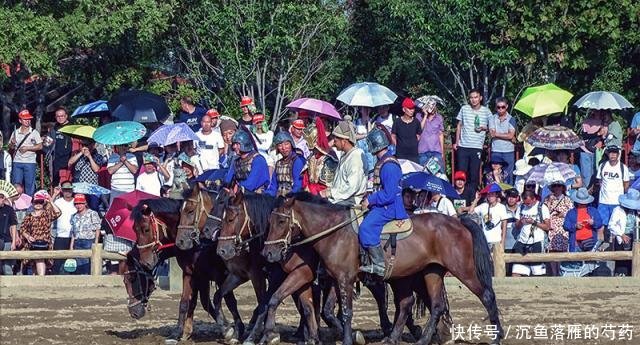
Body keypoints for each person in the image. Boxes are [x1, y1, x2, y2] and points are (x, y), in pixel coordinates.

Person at [359, 127, 408, 276]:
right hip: (383, 204)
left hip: (390, 207)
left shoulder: (389, 166)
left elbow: (389, 194)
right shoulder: (383, 161)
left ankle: (379, 264)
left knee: (366, 227)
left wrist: (371, 200)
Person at [454, 88, 492, 193]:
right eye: (471, 98)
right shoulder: (464, 109)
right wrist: (456, 142)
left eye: (476, 97)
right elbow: (459, 125)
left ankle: (471, 197)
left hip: (477, 147)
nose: (474, 100)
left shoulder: (486, 111)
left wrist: (484, 128)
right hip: (463, 146)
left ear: (480, 98)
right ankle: (460, 196)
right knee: (461, 174)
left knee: (474, 174)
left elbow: (492, 128)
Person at [321, 120, 367, 205]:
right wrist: (329, 190)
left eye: (335, 141)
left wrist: (331, 193)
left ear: (344, 141)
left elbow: (352, 186)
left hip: (351, 199)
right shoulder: (345, 155)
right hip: (341, 197)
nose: (334, 144)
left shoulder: (356, 156)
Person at [20, 189, 62, 275]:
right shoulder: (28, 216)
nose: (38, 204)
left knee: (40, 260)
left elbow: (58, 213)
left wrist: (50, 201)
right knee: (33, 263)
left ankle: (41, 280)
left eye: (40, 202)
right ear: (32, 203)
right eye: (36, 202)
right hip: (32, 243)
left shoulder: (47, 214)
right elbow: (22, 229)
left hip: (44, 242)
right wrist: (28, 237)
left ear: (43, 203)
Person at [512, 190, 551, 277]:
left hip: (537, 241)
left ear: (534, 199)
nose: (527, 205)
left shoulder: (542, 207)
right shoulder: (521, 207)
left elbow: (547, 227)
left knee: (537, 272)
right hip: (522, 241)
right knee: (516, 271)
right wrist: (521, 221)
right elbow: (517, 226)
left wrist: (534, 222)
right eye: (525, 203)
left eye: (528, 203)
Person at [9, 109, 43, 196]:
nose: (27, 121)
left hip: (30, 162)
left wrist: (28, 148)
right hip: (17, 161)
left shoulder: (34, 132)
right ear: (20, 120)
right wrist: (12, 143)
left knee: (29, 185)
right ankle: (16, 204)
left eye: (29, 119)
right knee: (16, 185)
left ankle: (29, 205)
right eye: (25, 119)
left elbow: (40, 146)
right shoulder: (15, 132)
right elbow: (11, 147)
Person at [544, 181, 574, 276]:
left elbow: (571, 213)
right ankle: (554, 273)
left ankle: (561, 272)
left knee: (562, 250)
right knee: (552, 250)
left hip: (562, 228)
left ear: (562, 188)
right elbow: (543, 211)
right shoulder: (548, 199)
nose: (557, 188)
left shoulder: (567, 199)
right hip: (552, 227)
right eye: (554, 186)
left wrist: (563, 214)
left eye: (559, 186)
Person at [595, 145, 630, 228]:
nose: (613, 155)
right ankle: (602, 241)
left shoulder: (623, 167)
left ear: (618, 155)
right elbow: (600, 181)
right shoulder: (602, 166)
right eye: (611, 152)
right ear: (608, 154)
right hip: (603, 201)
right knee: (601, 225)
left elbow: (626, 183)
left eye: (615, 153)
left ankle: (613, 241)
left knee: (616, 225)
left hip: (617, 202)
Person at [607, 189, 639, 276]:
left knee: (633, 261)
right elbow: (611, 225)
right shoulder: (618, 210)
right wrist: (622, 235)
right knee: (622, 262)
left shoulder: (636, 212)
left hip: (634, 237)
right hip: (622, 237)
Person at [68, 139, 105, 211]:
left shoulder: (98, 156)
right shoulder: (78, 155)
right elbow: (70, 163)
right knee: (79, 208)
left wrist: (89, 157)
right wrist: (81, 153)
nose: (85, 147)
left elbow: (96, 169)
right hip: (80, 187)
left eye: (87, 145)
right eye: (83, 145)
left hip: (92, 187)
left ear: (93, 145)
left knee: (93, 208)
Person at [563, 188, 604, 253]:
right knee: (577, 263)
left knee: (589, 262)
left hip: (590, 243)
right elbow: (565, 226)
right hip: (577, 243)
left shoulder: (593, 211)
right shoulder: (571, 213)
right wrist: (575, 226)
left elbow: (600, 224)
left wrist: (593, 223)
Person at [69, 194, 101, 275]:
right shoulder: (74, 216)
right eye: (76, 204)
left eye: (80, 203)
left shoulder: (92, 213)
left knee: (87, 264)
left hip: (89, 241)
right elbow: (73, 232)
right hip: (77, 241)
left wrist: (96, 242)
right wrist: (71, 246)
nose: (78, 206)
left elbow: (97, 229)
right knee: (78, 264)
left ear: (85, 203)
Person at [266, 132, 305, 197]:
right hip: (279, 199)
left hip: (293, 200)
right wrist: (266, 195)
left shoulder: (298, 161)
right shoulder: (278, 163)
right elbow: (273, 186)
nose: (283, 148)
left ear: (291, 144)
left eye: (286, 144)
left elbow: (298, 185)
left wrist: (289, 198)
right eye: (280, 145)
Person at [303, 123, 338, 196]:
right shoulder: (311, 157)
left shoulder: (329, 159)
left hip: (322, 198)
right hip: (309, 194)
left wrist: (311, 191)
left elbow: (327, 185)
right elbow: (305, 179)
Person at [489, 97, 517, 184]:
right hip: (496, 150)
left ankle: (509, 196)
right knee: (495, 175)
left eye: (503, 107)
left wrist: (497, 134)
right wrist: (507, 136)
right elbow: (492, 133)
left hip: (508, 151)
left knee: (508, 175)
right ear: (496, 107)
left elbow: (511, 135)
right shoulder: (492, 118)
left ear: (507, 106)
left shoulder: (512, 119)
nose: (500, 109)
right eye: (498, 107)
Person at [52, 181, 77, 274]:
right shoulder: (58, 201)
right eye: (65, 190)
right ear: (62, 191)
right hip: (61, 236)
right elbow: (47, 208)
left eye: (69, 189)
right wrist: (54, 194)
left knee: (73, 263)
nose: (68, 192)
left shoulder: (77, 202)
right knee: (58, 263)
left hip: (74, 236)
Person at [46, 107, 74, 187]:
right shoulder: (54, 128)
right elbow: (47, 143)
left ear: (66, 116)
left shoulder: (72, 127)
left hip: (70, 159)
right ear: (55, 117)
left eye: (62, 116)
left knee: (68, 182)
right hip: (57, 159)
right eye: (58, 116)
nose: (60, 118)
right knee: (56, 183)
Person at [416, 96, 445, 171]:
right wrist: (425, 115)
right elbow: (419, 130)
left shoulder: (439, 118)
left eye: (433, 105)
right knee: (424, 175)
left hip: (436, 151)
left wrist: (442, 151)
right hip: (423, 151)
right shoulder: (419, 116)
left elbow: (440, 134)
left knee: (439, 174)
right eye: (429, 105)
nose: (431, 108)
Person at [391, 97, 422, 163]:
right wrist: (398, 146)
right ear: (404, 109)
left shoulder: (416, 122)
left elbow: (418, 135)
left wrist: (413, 143)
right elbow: (393, 136)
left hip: (414, 155)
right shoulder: (397, 122)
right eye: (410, 108)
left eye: (413, 108)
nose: (412, 110)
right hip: (400, 155)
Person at [579, 110, 603, 187]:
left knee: (596, 173)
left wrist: (601, 141)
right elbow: (583, 136)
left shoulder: (603, 123)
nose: (597, 112)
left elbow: (604, 137)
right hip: (585, 150)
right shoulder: (586, 122)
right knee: (586, 174)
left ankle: (594, 192)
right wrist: (598, 134)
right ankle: (585, 193)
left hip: (597, 151)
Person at [0, 191, 19, 275]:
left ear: (4, 198)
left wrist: (14, 242)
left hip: (6, 240)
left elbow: (13, 226)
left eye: (1, 197)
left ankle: (10, 285)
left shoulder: (9, 209)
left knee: (7, 265)